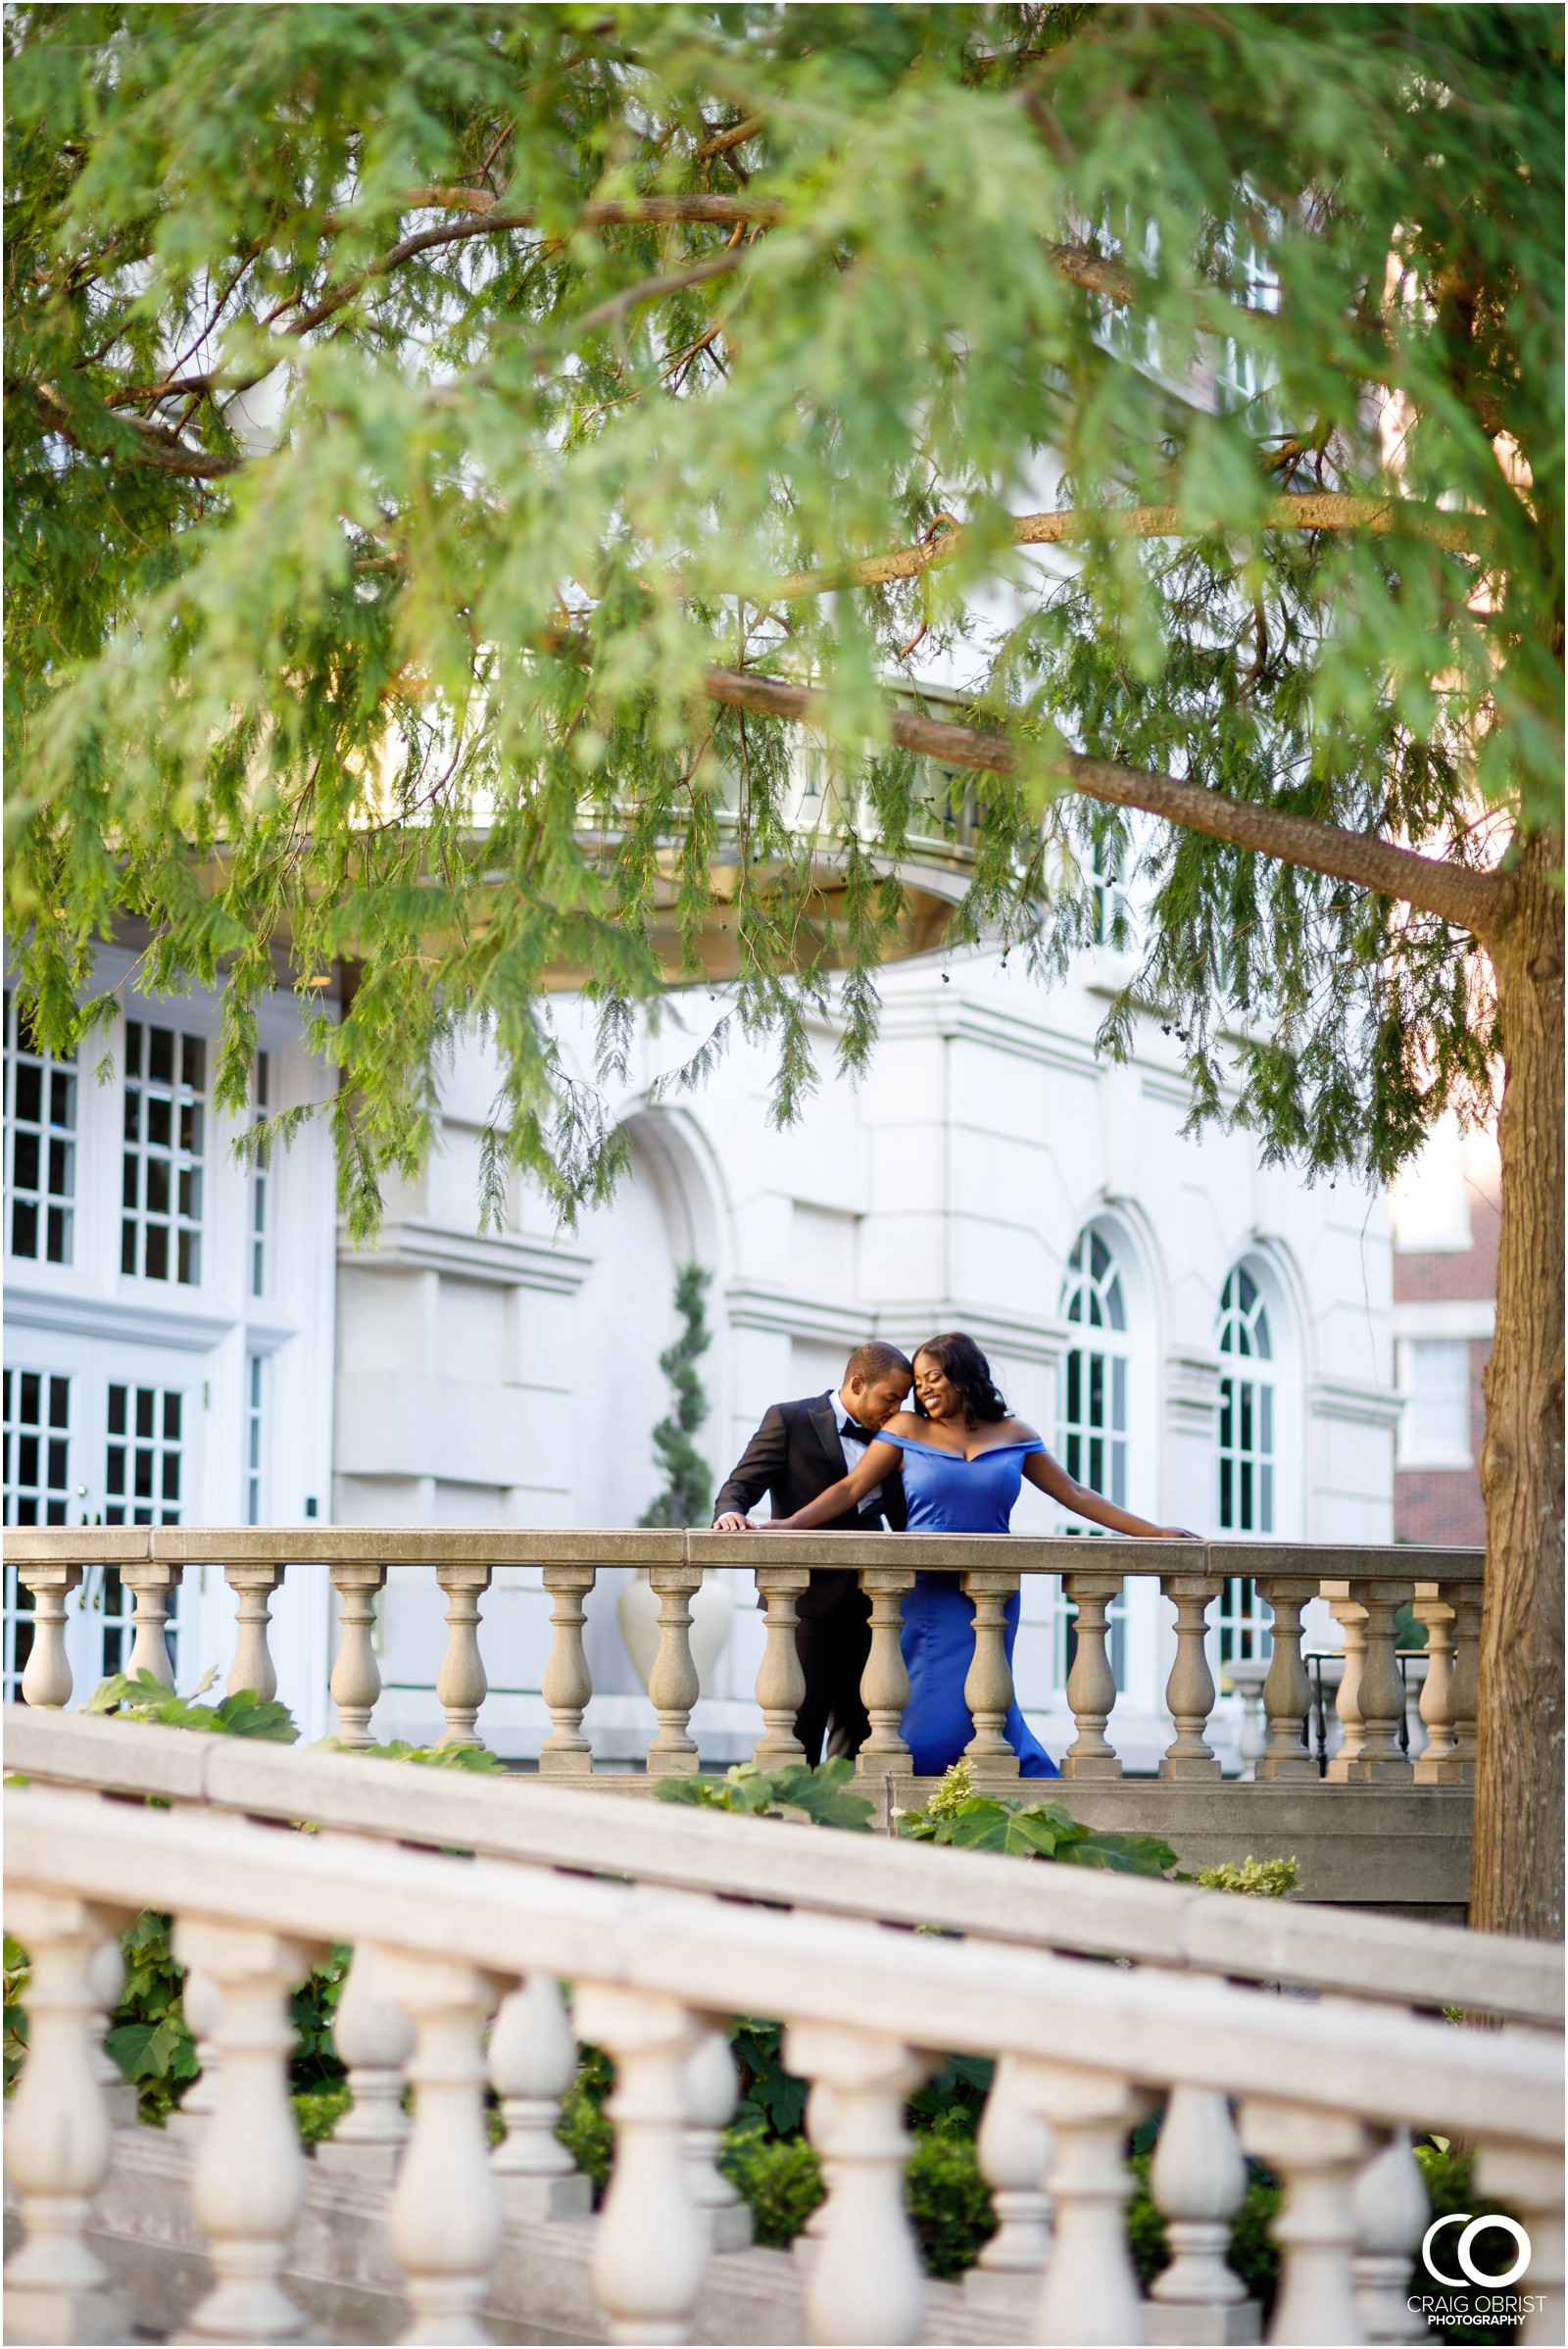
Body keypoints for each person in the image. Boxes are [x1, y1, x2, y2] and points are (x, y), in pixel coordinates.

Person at [755, 1330, 1194, 1778]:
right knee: (922, 1696)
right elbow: (850, 1488)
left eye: (933, 1378)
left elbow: (1075, 1494)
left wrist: (1153, 1531)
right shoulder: (905, 1429)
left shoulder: (1016, 1433)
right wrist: (789, 1525)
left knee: (985, 1695)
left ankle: (985, 1780)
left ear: (964, 1377)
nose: (922, 1390)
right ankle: (923, 1788)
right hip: (925, 1593)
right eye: (918, 1383)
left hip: (990, 1593)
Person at [712, 1341, 914, 1763]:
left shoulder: (895, 1438)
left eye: (901, 1401)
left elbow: (905, 1519)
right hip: (806, 1600)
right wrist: (730, 1512)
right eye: (889, 1398)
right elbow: (741, 1484)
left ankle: (844, 1827)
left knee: (862, 1731)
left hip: (873, 1602)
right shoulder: (789, 1419)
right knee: (799, 1727)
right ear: (857, 1383)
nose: (896, 1410)